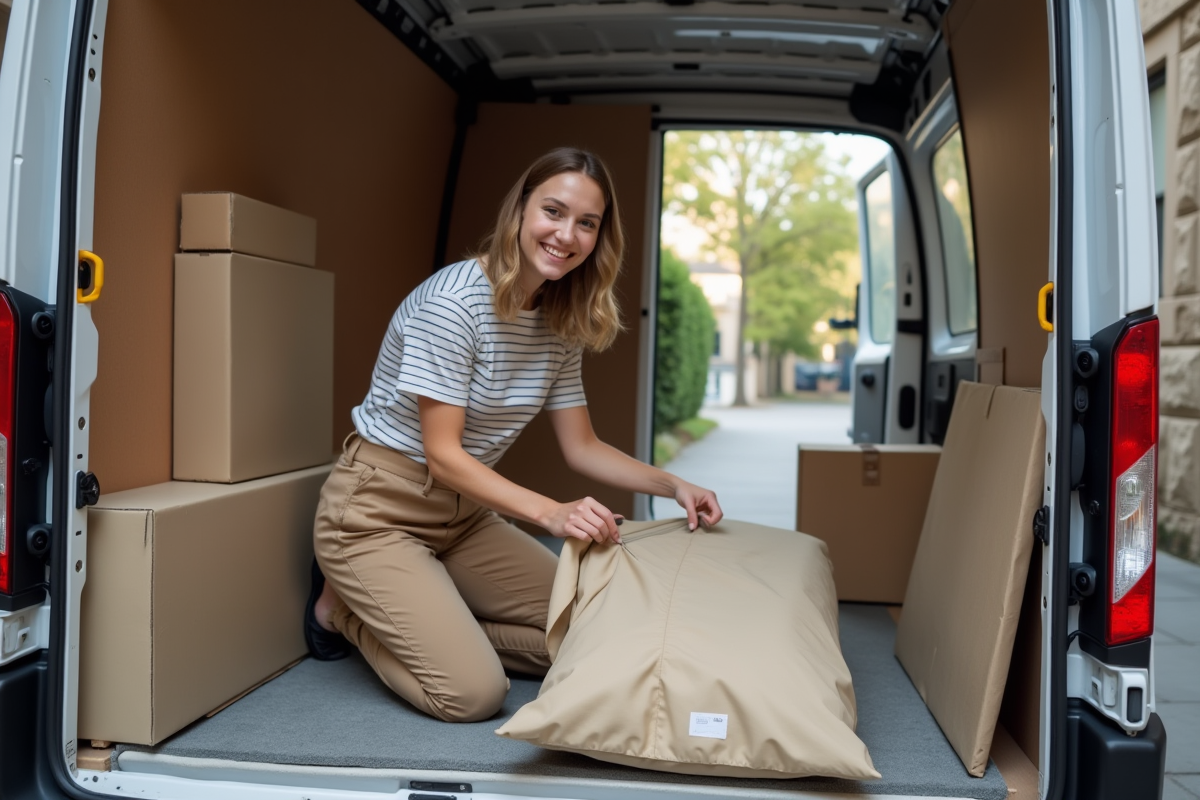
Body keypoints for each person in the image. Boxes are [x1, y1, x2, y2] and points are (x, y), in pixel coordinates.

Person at [305, 147, 723, 723]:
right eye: (553, 211)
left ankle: (436, 618)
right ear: (521, 210)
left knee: (597, 626)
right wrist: (551, 513)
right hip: (379, 511)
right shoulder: (453, 304)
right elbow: (444, 456)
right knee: (473, 694)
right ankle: (343, 609)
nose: (565, 234)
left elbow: (583, 447)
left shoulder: (559, 318)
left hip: (465, 516)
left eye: (586, 223)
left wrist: (673, 483)